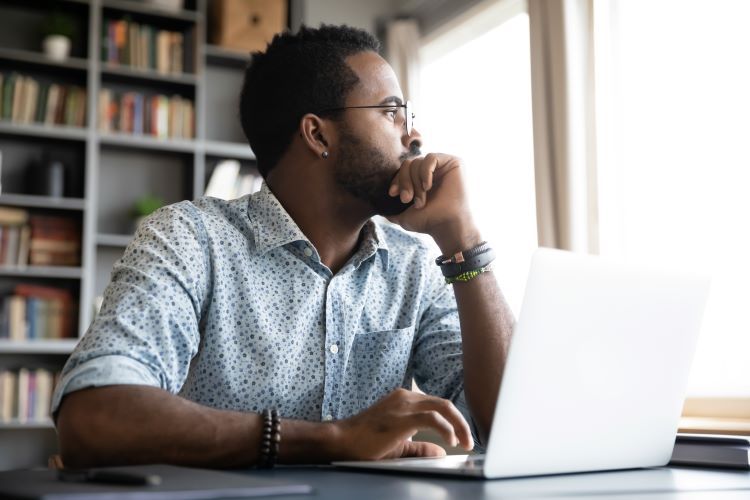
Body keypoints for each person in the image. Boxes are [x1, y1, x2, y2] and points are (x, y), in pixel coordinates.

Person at [54, 24, 515, 468]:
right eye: (391, 112)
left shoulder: (414, 265)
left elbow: (507, 426)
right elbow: (94, 416)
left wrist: (463, 239)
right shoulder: (191, 240)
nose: (413, 135)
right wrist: (332, 440)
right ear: (318, 134)